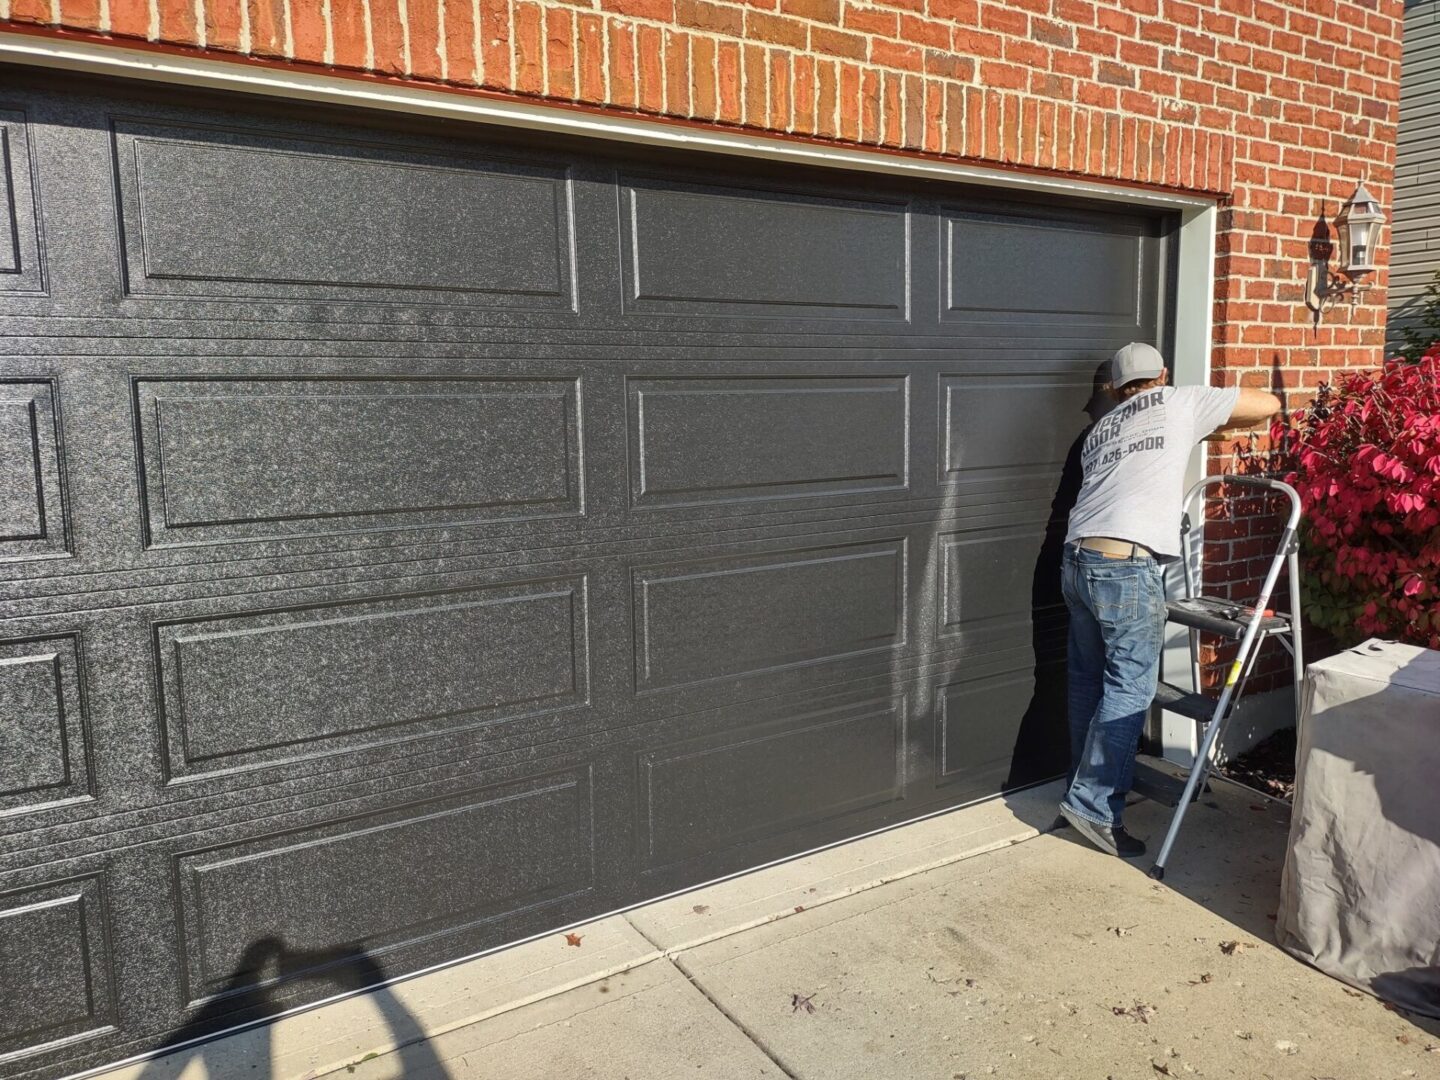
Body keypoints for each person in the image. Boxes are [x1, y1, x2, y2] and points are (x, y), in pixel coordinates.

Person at [1057, 342, 1281, 857]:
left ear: (1114, 388)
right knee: (1130, 689)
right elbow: (1266, 404)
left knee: (1087, 683)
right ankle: (1093, 807)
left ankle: (1078, 792)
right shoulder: (1179, 401)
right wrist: (1216, 415)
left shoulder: (1099, 431)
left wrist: (1211, 425)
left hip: (1076, 562)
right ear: (1162, 373)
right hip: (1125, 564)